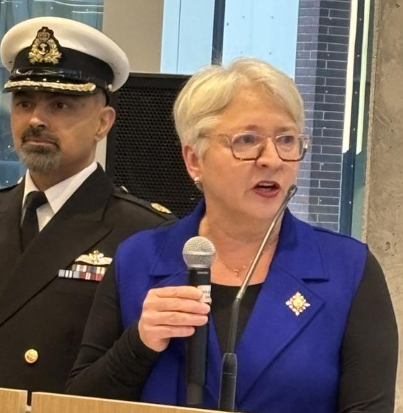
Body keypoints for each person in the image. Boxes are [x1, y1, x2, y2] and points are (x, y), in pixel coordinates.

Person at [67, 58, 398, 413]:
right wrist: (138, 343)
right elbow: (76, 403)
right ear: (194, 160)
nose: (272, 159)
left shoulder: (348, 269)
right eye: (247, 140)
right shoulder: (138, 260)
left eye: (286, 139)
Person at [0, 16, 173, 396]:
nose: (36, 119)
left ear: (103, 122)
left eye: (60, 104)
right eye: (23, 102)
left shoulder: (145, 233)